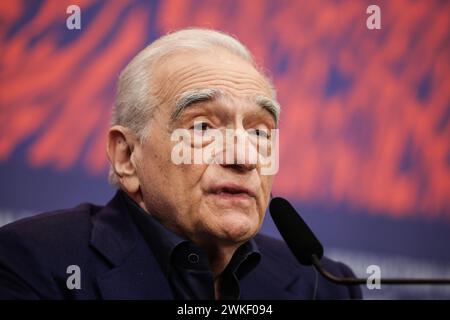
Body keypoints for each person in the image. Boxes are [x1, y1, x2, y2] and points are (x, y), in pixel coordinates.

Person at [0, 28, 361, 300]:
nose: (244, 157)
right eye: (203, 126)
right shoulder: (32, 263)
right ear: (126, 156)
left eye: (260, 132)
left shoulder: (325, 287)